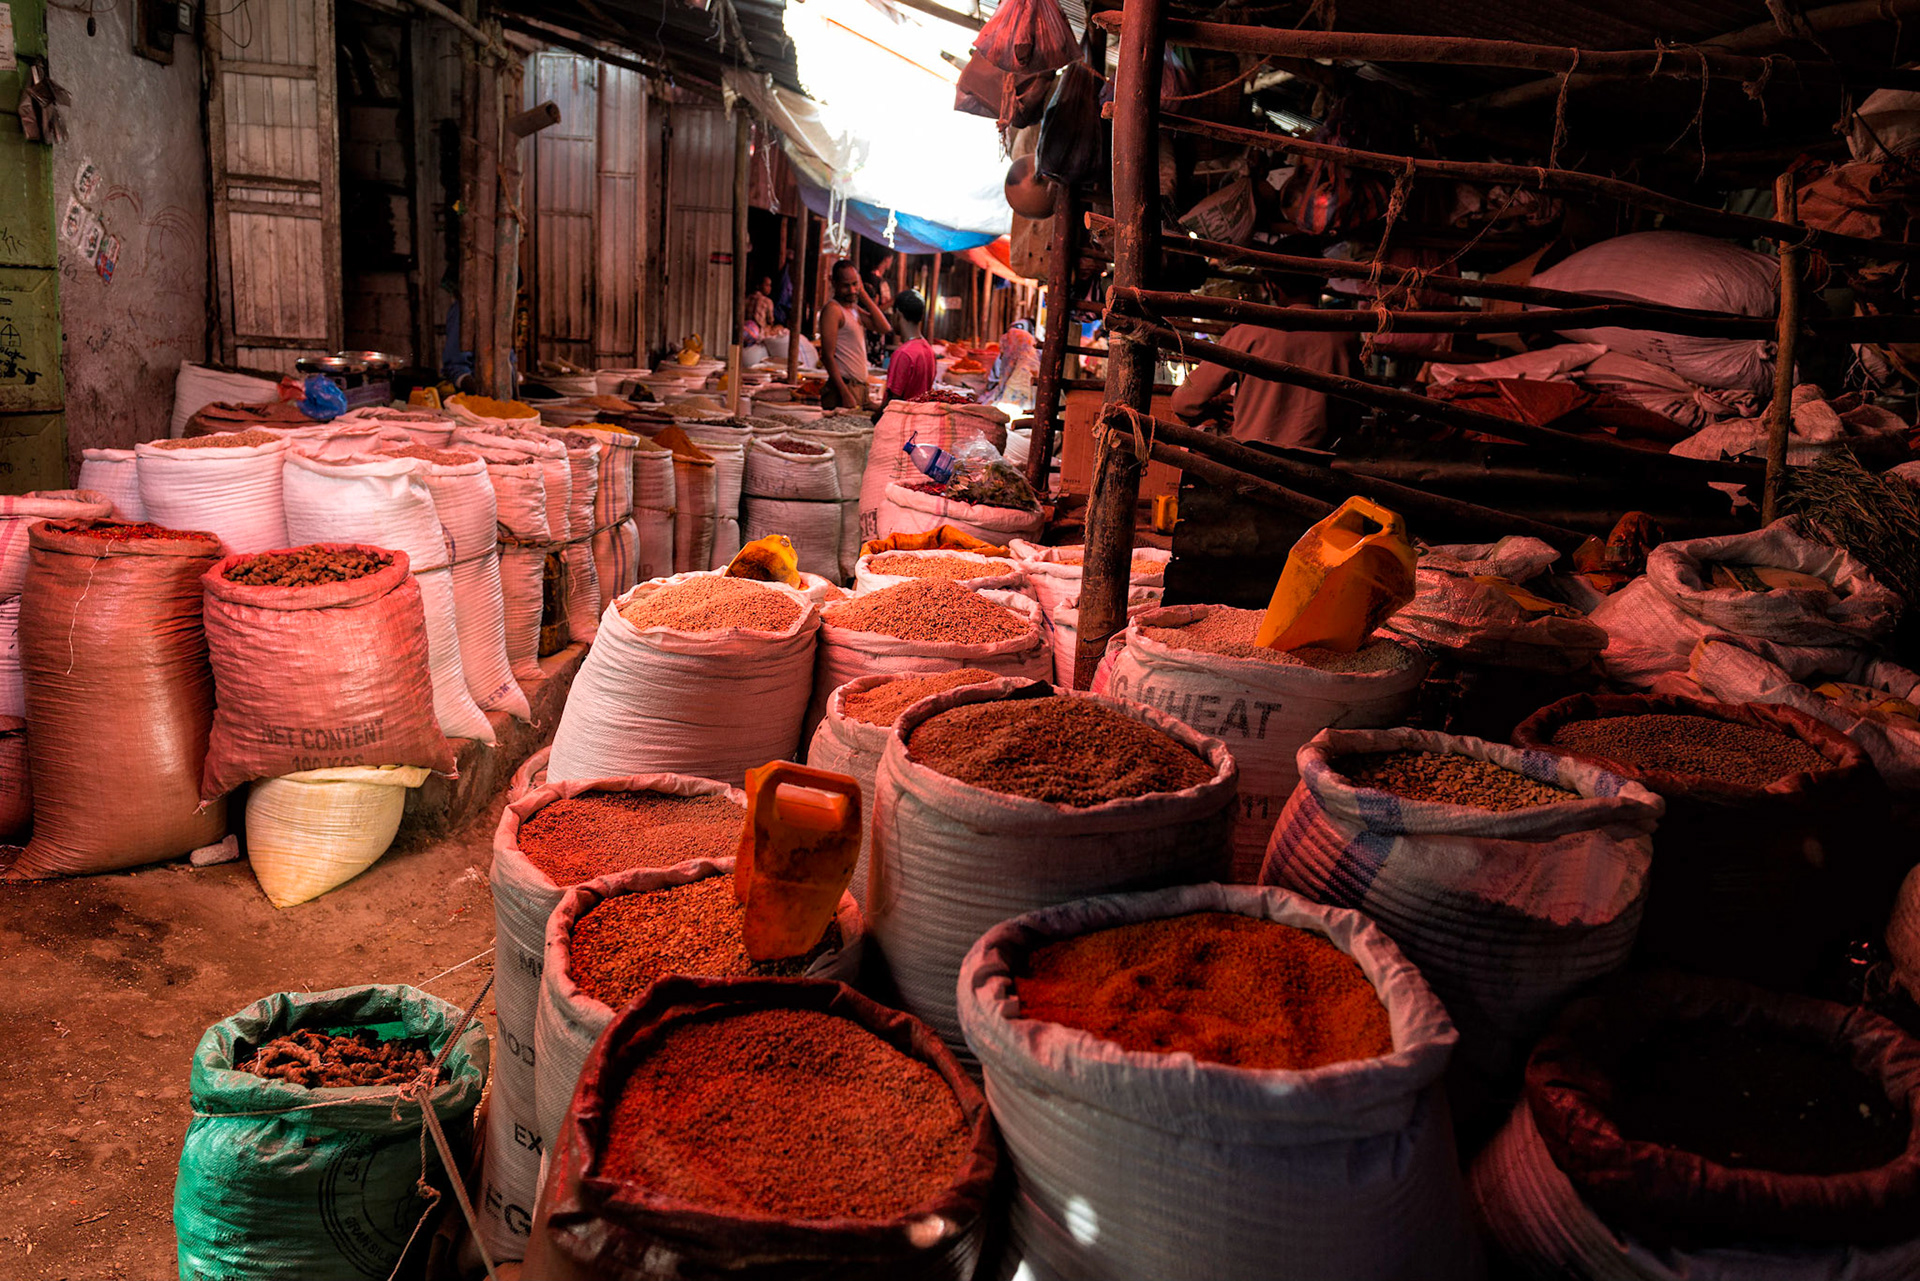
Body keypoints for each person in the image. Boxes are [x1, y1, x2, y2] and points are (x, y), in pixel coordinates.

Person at [1169, 279, 1357, 449]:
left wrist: (1212, 408)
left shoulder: (1248, 334)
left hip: (1252, 460)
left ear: (1271, 286)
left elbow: (1184, 403)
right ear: (1322, 281)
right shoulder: (1344, 338)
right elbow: (1353, 416)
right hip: (1320, 460)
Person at [818, 258, 892, 411]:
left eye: (854, 284)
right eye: (846, 286)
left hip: (859, 389)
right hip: (844, 389)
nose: (852, 290)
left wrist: (863, 294)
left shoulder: (854, 309)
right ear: (834, 283)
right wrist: (845, 393)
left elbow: (884, 327)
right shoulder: (833, 310)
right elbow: (827, 356)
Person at [884, 290, 936, 404]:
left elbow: (893, 402)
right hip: (920, 412)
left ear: (898, 313)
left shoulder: (903, 354)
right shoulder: (928, 349)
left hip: (902, 414)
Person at [981, 319, 1040, 409]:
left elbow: (1009, 409)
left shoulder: (1022, 375)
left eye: (1005, 348)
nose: (1001, 355)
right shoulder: (1027, 364)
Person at [744, 275, 776, 341]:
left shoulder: (747, 298)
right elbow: (770, 321)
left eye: (770, 285)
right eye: (767, 285)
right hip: (758, 334)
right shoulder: (767, 301)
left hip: (745, 331)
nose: (769, 288)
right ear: (758, 286)